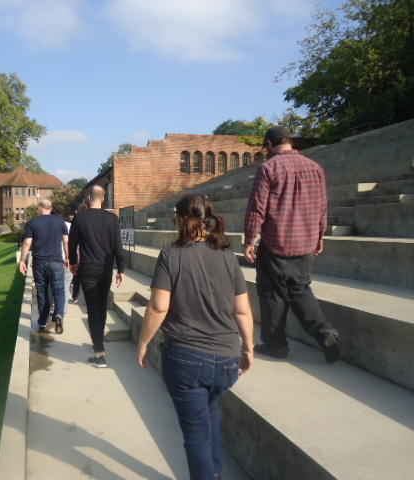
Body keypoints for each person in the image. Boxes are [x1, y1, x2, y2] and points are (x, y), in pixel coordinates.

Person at [137, 194, 254, 480]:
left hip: (186, 359)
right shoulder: (228, 258)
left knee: (196, 435)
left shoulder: (171, 255)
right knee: (210, 413)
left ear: (179, 220)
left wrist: (143, 342)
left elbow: (158, 307)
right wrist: (248, 349)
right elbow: (242, 311)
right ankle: (215, 473)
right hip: (227, 359)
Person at [244, 125, 341, 362]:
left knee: (271, 293)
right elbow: (322, 207)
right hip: (306, 243)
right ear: (290, 142)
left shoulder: (268, 168)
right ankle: (324, 333)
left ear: (269, 145)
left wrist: (249, 239)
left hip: (275, 243)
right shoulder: (315, 168)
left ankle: (276, 345)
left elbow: (257, 208)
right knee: (300, 289)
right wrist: (319, 236)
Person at [68, 185, 125, 368]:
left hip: (88, 269)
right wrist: (121, 269)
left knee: (93, 309)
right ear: (103, 198)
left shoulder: (80, 217)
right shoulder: (112, 218)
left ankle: (99, 353)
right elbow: (118, 246)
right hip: (106, 269)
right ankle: (98, 342)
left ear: (88, 197)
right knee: (101, 306)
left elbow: (72, 244)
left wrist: (73, 263)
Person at [19, 198, 69, 334]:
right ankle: (59, 314)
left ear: (39, 207)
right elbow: (66, 241)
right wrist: (67, 257)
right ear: (50, 208)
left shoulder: (33, 222)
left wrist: (22, 260)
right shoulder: (59, 220)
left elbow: (27, 243)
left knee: (42, 292)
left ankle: (42, 321)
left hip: (39, 263)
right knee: (59, 290)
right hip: (57, 262)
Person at [69, 204, 88, 302]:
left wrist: (72, 261)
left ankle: (75, 296)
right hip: (87, 256)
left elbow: (72, 242)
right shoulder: (88, 221)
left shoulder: (77, 221)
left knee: (77, 277)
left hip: (79, 254)